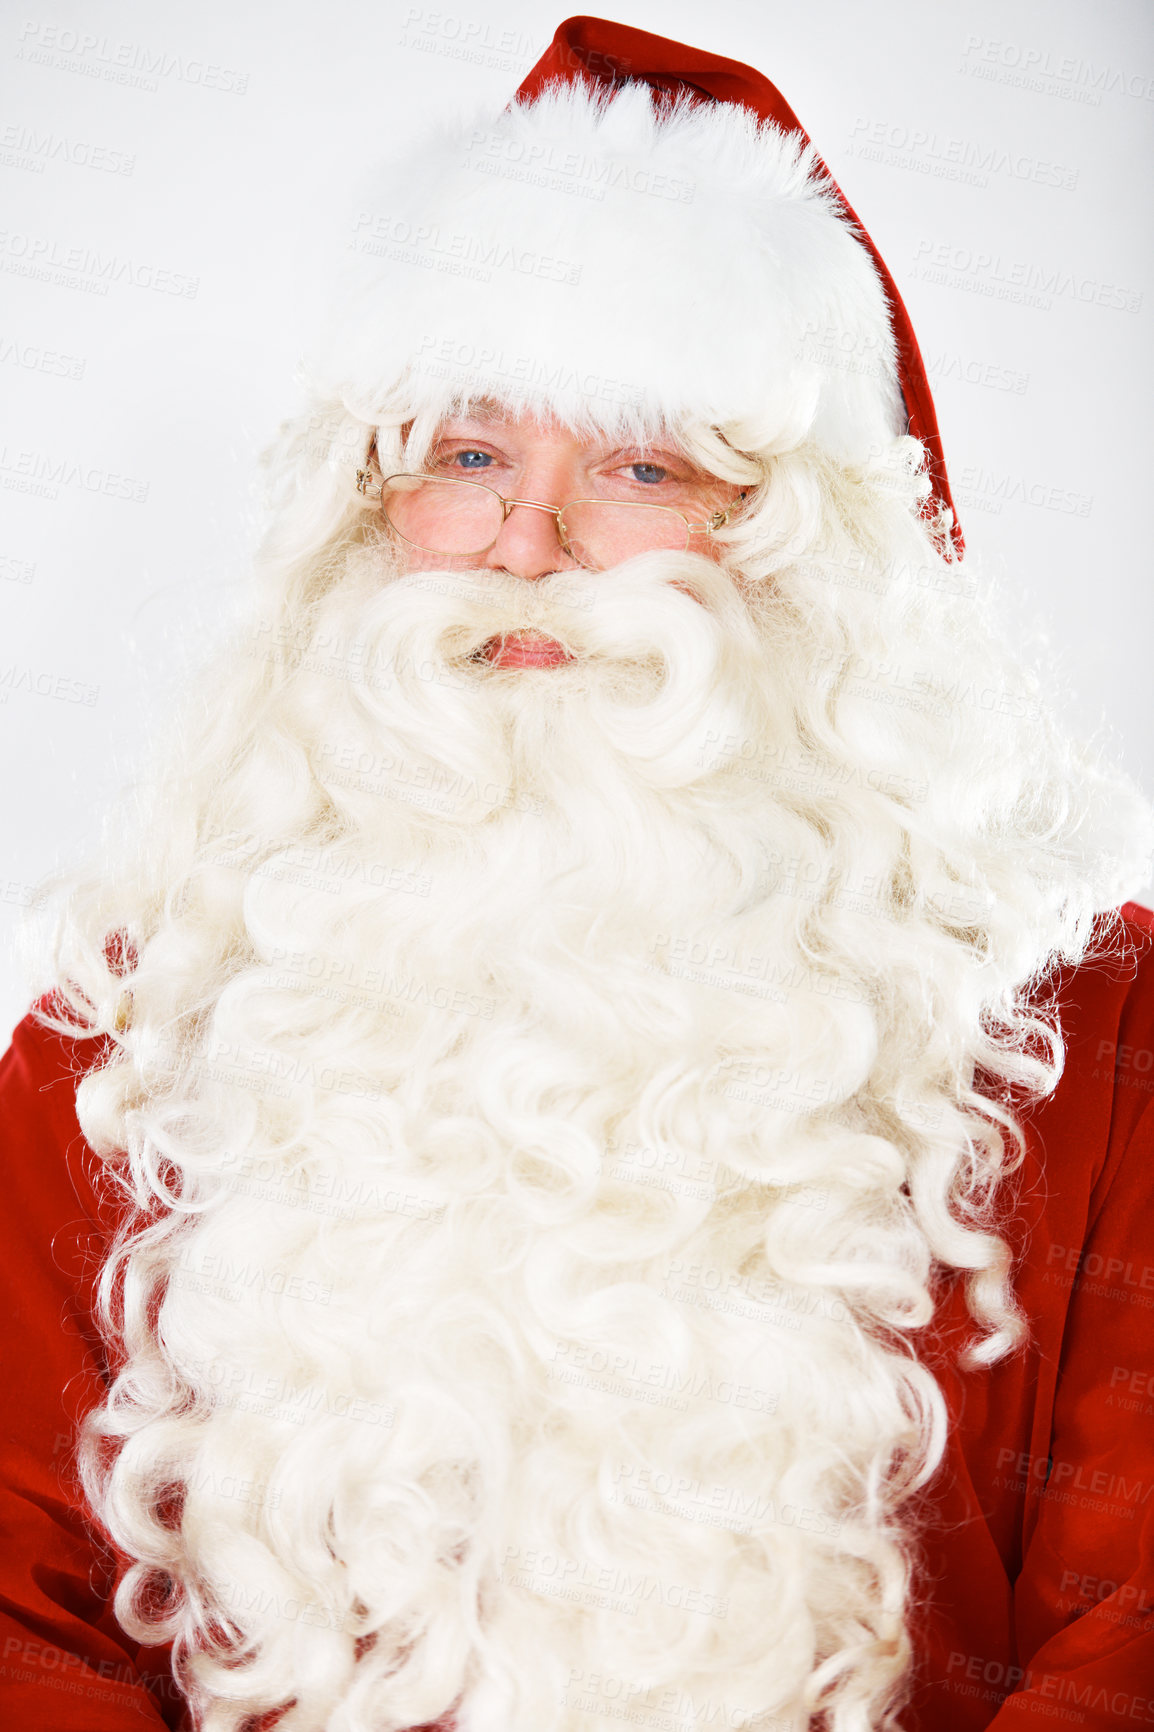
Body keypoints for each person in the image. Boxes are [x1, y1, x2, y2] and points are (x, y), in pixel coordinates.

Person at [2, 15, 1153, 1732]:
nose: (527, 547)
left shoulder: (1086, 1025)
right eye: (470, 458)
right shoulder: (138, 1024)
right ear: (370, 509)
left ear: (801, 544)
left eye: (639, 468)